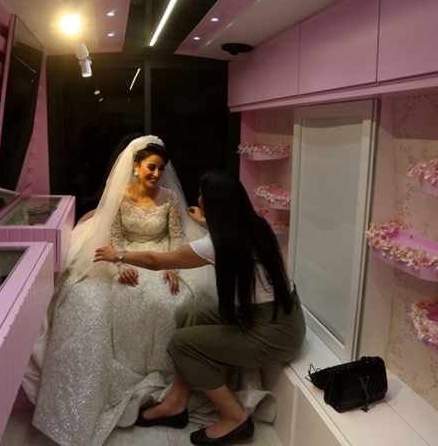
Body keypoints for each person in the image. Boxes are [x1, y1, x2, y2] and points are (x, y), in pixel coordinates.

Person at [94, 170, 306, 446]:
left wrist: (118, 254)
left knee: (182, 343)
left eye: (204, 195)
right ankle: (177, 403)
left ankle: (235, 418)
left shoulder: (217, 244)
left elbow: (157, 260)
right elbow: (226, 234)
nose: (199, 198)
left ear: (216, 203)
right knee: (191, 316)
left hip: (274, 333)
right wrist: (204, 220)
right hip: (281, 317)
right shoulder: (254, 224)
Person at [24, 135, 211, 446]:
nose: (156, 174)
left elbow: (176, 238)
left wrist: (170, 266)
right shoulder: (120, 197)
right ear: (135, 167)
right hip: (125, 258)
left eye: (161, 168)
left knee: (171, 298)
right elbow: (113, 239)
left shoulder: (170, 199)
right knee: (90, 300)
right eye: (151, 167)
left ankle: (166, 385)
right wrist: (119, 267)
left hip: (160, 256)